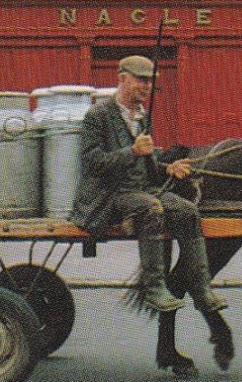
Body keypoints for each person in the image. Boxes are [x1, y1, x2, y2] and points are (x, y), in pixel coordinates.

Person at [70, 55, 227, 316]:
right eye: (141, 80)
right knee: (151, 208)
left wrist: (169, 168)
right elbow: (91, 163)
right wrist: (131, 151)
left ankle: (201, 288)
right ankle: (154, 288)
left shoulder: (143, 117)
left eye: (150, 82)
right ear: (122, 79)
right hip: (109, 195)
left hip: (140, 190)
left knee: (188, 211)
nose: (146, 87)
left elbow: (148, 162)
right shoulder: (97, 116)